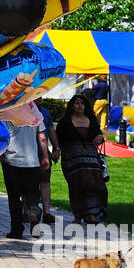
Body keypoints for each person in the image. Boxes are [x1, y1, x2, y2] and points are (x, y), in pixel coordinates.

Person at [56, 94, 108, 224]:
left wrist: (100, 138)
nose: (79, 106)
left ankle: (92, 214)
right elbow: (59, 139)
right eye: (76, 103)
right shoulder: (65, 122)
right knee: (77, 187)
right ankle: (78, 216)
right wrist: (56, 151)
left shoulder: (91, 120)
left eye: (82, 103)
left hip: (90, 160)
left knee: (94, 186)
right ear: (72, 106)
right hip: (72, 161)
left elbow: (99, 135)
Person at [0, 115, 49, 240]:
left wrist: (1, 156)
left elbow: (2, 137)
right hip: (32, 161)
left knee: (14, 197)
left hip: (12, 161)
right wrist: (45, 156)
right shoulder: (34, 113)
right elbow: (42, 137)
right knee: (32, 193)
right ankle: (34, 214)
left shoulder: (5, 113)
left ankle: (16, 230)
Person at [38, 103, 60, 225]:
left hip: (43, 152)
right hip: (28, 153)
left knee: (45, 182)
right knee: (29, 184)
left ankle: (46, 212)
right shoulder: (23, 111)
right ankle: (28, 210)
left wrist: (56, 148)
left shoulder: (45, 112)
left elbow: (51, 130)